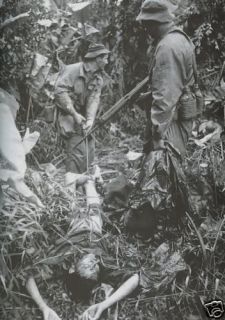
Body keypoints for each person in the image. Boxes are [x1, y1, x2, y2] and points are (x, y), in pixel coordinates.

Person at [25, 175, 132, 320]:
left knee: (70, 200)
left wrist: (43, 307)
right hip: (94, 229)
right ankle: (89, 182)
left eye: (89, 265)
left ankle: (75, 181)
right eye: (95, 267)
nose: (95, 262)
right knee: (94, 208)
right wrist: (104, 305)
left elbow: (27, 274)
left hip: (74, 227)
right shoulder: (102, 263)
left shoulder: (63, 259)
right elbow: (134, 278)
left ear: (72, 268)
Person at [54, 43, 109, 181]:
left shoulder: (98, 78)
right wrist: (74, 114)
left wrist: (90, 119)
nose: (107, 62)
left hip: (81, 115)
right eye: (105, 58)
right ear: (97, 59)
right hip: (65, 112)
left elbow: (94, 99)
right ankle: (72, 179)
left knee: (89, 144)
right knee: (76, 142)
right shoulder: (73, 70)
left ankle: (85, 178)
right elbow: (59, 92)